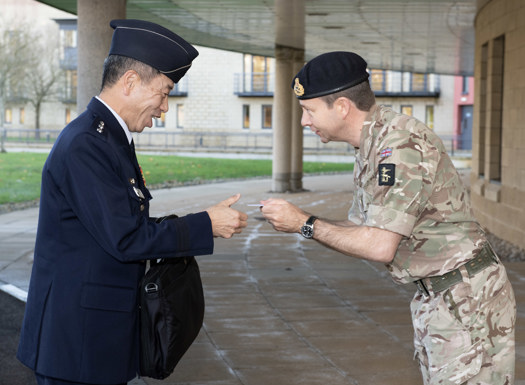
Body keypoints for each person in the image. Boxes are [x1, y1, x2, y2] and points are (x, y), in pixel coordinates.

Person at [260, 51, 516, 384]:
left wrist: (304, 224)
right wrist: (301, 220)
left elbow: (381, 246)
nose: (303, 122)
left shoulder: (398, 146)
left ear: (342, 107)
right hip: (443, 296)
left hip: (466, 301)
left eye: (309, 111)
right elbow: (361, 229)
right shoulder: (374, 143)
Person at [17, 19, 247, 385]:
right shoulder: (86, 145)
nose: (165, 107)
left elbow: (126, 226)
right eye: (164, 91)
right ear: (130, 82)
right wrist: (206, 223)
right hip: (77, 344)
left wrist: (203, 221)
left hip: (95, 337)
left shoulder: (108, 139)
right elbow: (126, 238)